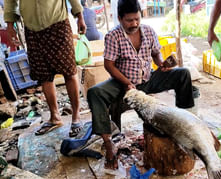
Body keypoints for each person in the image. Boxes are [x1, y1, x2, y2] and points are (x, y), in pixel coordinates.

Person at [87, 0, 194, 169]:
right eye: (129, 20)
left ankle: (187, 120)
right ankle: (109, 142)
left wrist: (161, 64)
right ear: (120, 19)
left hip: (148, 79)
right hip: (122, 83)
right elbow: (109, 65)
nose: (134, 23)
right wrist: (126, 83)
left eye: (137, 19)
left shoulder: (148, 31)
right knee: (95, 92)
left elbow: (156, 53)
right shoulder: (113, 36)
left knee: (183, 74)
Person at [4, 0, 87, 137]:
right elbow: (10, 1)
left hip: (58, 24)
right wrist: (9, 25)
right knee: (44, 75)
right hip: (32, 29)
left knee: (69, 70)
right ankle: (55, 116)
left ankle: (76, 115)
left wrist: (80, 16)